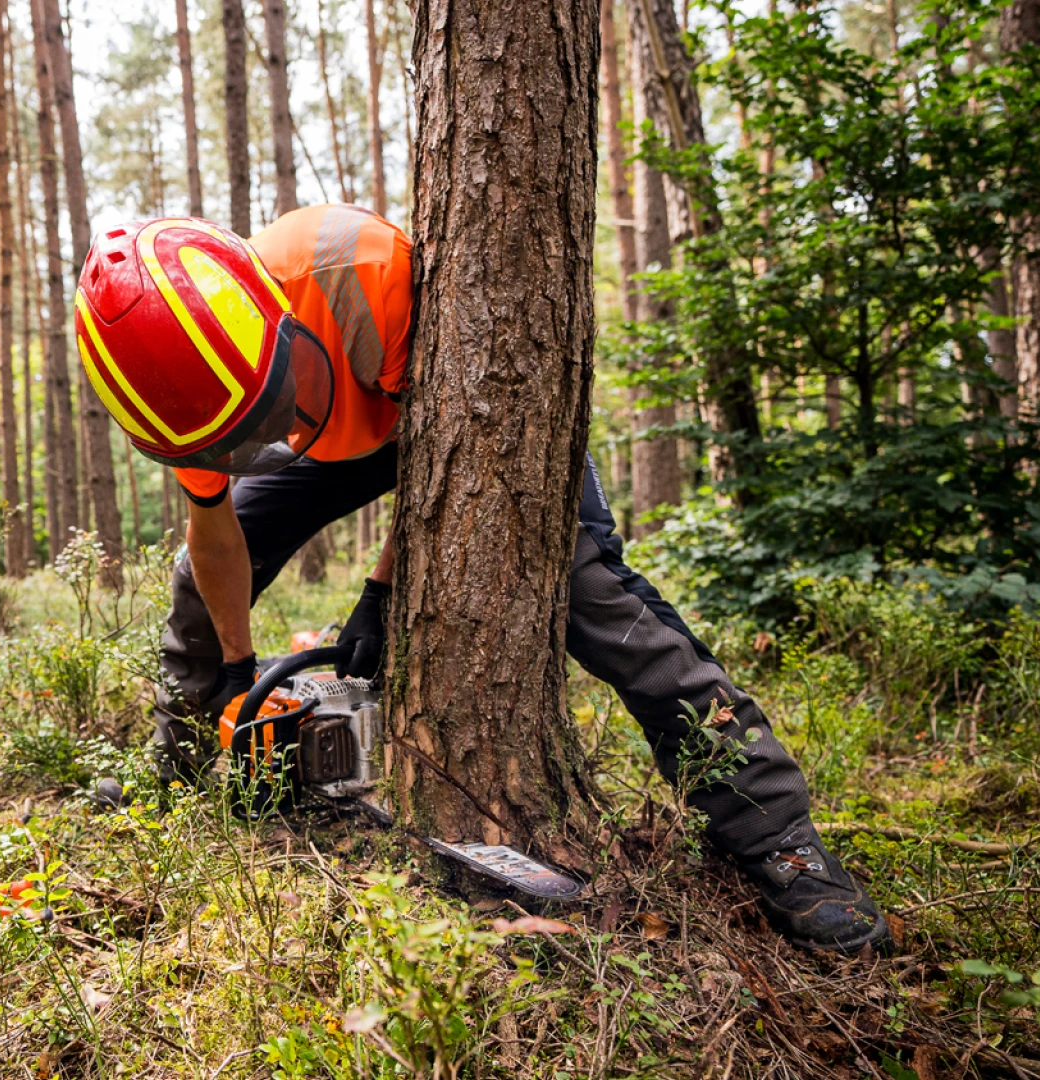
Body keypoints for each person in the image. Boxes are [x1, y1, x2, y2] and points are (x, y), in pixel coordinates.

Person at [72, 207, 891, 954]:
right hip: (348, 429)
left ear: (275, 321)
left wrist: (383, 589)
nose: (276, 436)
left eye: (274, 409)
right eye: (243, 443)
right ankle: (174, 776)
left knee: (589, 596)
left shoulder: (358, 273)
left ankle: (778, 835)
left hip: (470, 426)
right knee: (193, 589)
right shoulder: (178, 385)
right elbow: (217, 540)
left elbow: (455, 452)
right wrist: (243, 672)